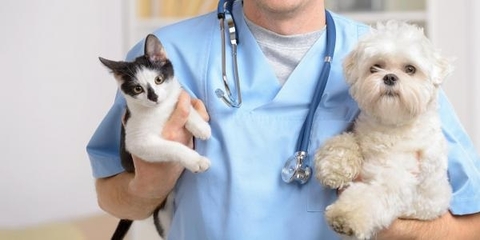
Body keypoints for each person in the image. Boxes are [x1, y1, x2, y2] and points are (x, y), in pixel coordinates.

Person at [87, 0, 480, 239]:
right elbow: (113, 196)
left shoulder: (387, 58)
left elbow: (471, 224)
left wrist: (390, 220)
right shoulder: (167, 56)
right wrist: (148, 186)